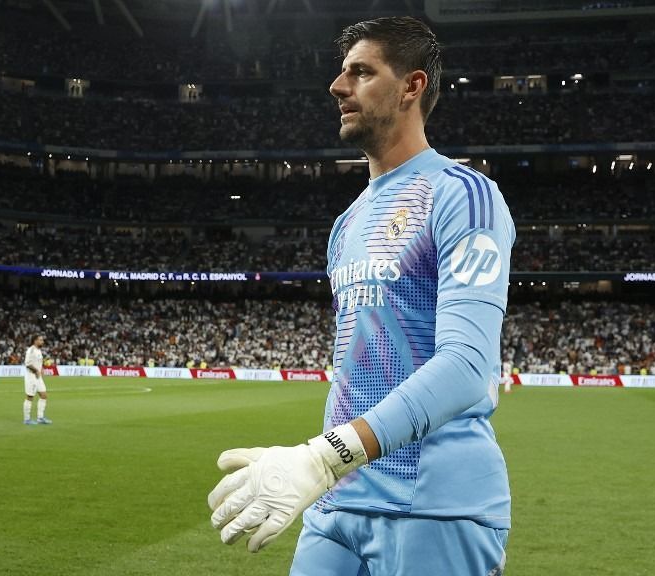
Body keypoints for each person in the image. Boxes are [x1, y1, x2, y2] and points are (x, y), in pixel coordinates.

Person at [208, 16, 514, 575]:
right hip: (336, 504)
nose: (337, 86)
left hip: (433, 506)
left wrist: (325, 456)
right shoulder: (347, 223)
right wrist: (322, 467)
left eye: (361, 72)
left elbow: (469, 364)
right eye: (341, 72)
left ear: (411, 86)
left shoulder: (463, 195)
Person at [23, 334, 51, 425]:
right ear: (35, 341)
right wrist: (36, 370)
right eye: (40, 340)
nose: (42, 342)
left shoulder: (39, 351)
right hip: (31, 376)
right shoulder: (31, 350)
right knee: (30, 397)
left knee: (44, 395)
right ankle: (27, 419)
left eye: (42, 340)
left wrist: (41, 369)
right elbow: (27, 363)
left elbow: (38, 362)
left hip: (38, 377)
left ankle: (40, 417)